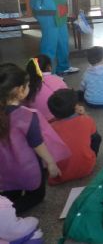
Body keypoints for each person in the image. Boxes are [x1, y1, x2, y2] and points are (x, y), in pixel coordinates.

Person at [0, 63, 65, 213]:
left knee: (10, 193)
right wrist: (51, 163)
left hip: (4, 168)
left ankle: (6, 206)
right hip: (26, 167)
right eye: (28, 85)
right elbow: (37, 144)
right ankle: (8, 215)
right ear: (20, 90)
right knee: (37, 195)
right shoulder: (27, 116)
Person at [47, 88, 101, 185]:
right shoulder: (87, 120)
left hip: (60, 175)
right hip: (87, 168)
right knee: (96, 137)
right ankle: (91, 157)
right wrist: (83, 115)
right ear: (75, 107)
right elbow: (92, 135)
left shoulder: (50, 129)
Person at [23, 55, 67, 122]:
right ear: (49, 67)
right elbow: (67, 99)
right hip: (60, 118)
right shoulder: (58, 80)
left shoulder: (27, 86)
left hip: (39, 122)